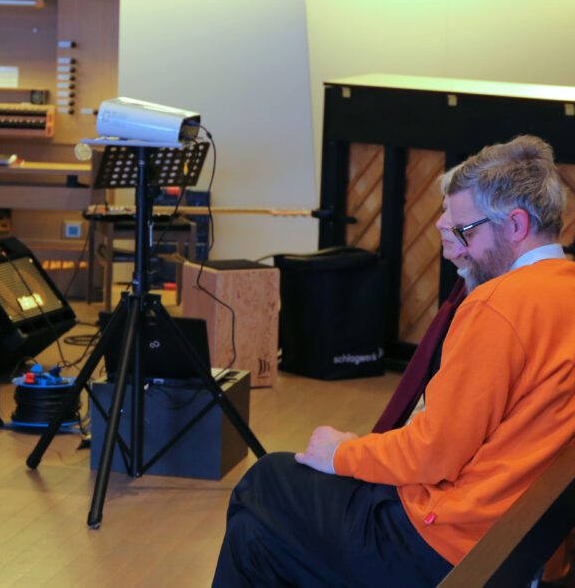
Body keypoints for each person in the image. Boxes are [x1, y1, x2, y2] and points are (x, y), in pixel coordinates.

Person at [212, 134, 575, 587]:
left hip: (449, 545)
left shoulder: (501, 304)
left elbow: (434, 454)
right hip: (525, 543)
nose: (455, 248)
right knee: (254, 538)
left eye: (464, 232)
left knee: (268, 478)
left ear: (516, 225)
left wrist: (341, 452)